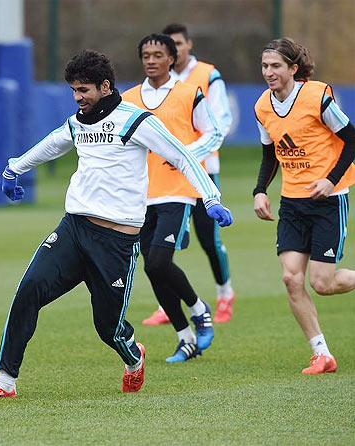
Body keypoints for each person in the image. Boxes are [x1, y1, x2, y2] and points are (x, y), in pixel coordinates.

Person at [0, 50, 233, 399]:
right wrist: (15, 167)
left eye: (84, 90)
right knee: (28, 292)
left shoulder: (136, 120)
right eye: (74, 91)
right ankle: (4, 382)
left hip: (116, 242)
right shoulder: (78, 122)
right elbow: (52, 144)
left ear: (105, 86)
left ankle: (134, 356)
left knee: (108, 329)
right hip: (73, 229)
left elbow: (182, 156)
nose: (78, 98)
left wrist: (210, 198)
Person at [253, 38, 355, 375]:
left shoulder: (316, 96)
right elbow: (270, 153)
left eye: (276, 66)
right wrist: (259, 191)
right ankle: (321, 354)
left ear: (293, 69)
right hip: (293, 203)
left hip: (328, 200)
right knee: (290, 278)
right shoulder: (262, 107)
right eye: (265, 66)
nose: (269, 72)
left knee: (323, 284)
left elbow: (352, 139)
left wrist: (330, 179)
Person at [122, 34, 224, 363]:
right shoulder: (129, 99)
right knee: (153, 268)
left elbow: (214, 133)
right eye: (146, 55)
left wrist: (183, 154)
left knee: (158, 261)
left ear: (172, 58)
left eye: (158, 54)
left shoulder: (189, 93)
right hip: (141, 194)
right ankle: (186, 337)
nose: (151, 60)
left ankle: (199, 310)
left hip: (178, 190)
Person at [142, 23, 236, 326]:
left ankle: (225, 294)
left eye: (178, 44)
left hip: (203, 172)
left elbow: (218, 126)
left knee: (209, 240)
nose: (175, 49)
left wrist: (185, 157)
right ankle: (167, 305)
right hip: (163, 180)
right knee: (164, 246)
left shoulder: (208, 75)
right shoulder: (150, 86)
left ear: (187, 45)